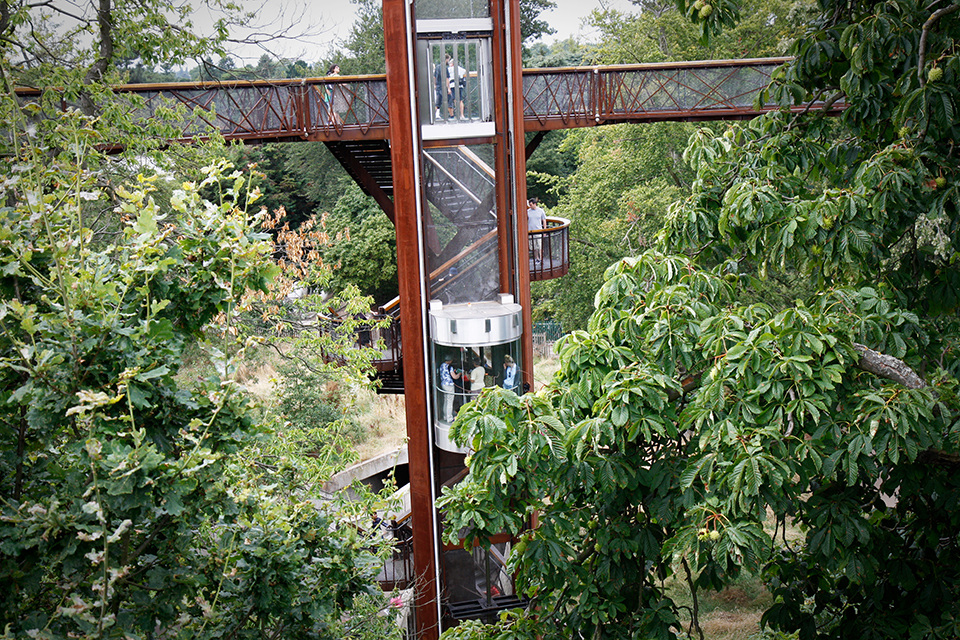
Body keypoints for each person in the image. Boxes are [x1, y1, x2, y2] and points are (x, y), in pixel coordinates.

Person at [439, 353, 461, 422]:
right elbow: (455, 377)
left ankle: (445, 416)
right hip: (449, 385)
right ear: (450, 360)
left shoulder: (442, 366)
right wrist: (460, 373)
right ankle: (449, 418)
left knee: (446, 400)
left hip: (443, 384)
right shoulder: (450, 367)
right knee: (450, 401)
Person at [445, 53, 467, 119]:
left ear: (452, 64)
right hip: (460, 86)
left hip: (452, 86)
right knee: (460, 100)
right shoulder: (460, 69)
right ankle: (462, 115)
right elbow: (465, 72)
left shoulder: (449, 69)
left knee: (454, 100)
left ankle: (456, 115)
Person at [527, 197, 547, 265]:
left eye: (531, 204)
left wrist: (544, 230)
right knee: (534, 246)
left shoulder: (540, 211)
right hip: (530, 231)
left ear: (535, 204)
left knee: (539, 245)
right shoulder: (528, 211)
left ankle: (541, 259)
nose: (530, 206)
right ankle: (537, 258)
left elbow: (544, 220)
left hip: (538, 231)